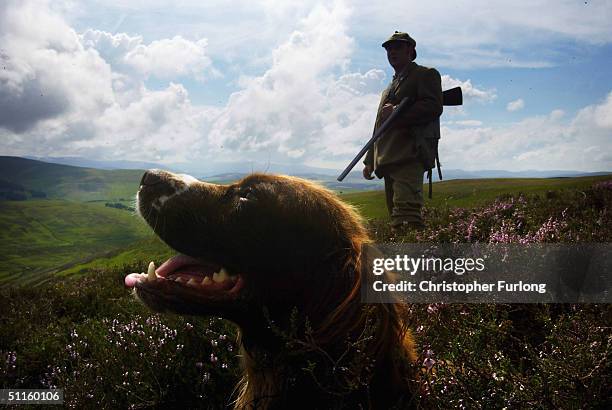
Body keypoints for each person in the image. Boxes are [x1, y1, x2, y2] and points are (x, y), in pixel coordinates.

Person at [363, 31, 443, 233]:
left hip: (410, 153)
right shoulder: (388, 88)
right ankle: (402, 260)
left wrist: (397, 111)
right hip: (388, 157)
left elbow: (433, 106)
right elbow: (378, 127)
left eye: (397, 47)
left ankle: (416, 260)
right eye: (389, 49)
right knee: (396, 219)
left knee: (407, 216)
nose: (392, 52)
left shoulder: (425, 74)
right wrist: (369, 160)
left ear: (410, 50)